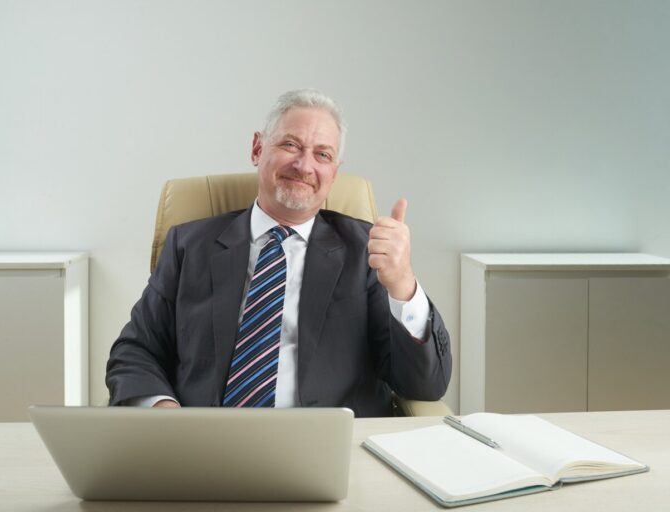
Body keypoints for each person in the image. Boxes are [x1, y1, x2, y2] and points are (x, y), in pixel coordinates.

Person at [106, 89, 451, 417]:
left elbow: (425, 384)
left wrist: (403, 287)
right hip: (206, 447)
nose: (304, 166)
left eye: (323, 154)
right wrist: (163, 411)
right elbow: (136, 351)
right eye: (290, 145)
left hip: (327, 449)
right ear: (257, 148)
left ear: (333, 172)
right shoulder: (189, 245)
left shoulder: (364, 251)